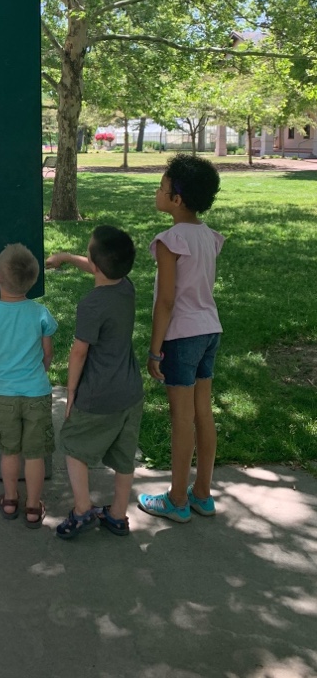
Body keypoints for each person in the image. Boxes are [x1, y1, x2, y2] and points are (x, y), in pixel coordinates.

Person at [137, 154, 225, 523]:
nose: (157, 192)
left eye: (162, 188)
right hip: (209, 330)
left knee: (182, 418)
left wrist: (155, 349)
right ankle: (202, 494)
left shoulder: (169, 240)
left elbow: (166, 301)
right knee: (203, 413)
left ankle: (176, 499)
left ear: (177, 199)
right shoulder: (208, 236)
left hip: (182, 336)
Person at [45, 225, 142, 539]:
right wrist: (65, 257)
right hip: (131, 392)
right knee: (125, 458)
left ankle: (82, 509)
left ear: (96, 265)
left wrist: (71, 390)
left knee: (73, 445)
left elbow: (79, 352)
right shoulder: (126, 287)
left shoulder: (91, 305)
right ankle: (118, 515)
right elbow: (97, 267)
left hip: (98, 394)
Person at [0, 244, 57, 528]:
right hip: (37, 393)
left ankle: (9, 499)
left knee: (9, 452)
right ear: (33, 279)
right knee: (35, 454)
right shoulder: (40, 313)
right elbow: (48, 353)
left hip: (3, 395)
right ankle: (33, 507)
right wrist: (41, 371)